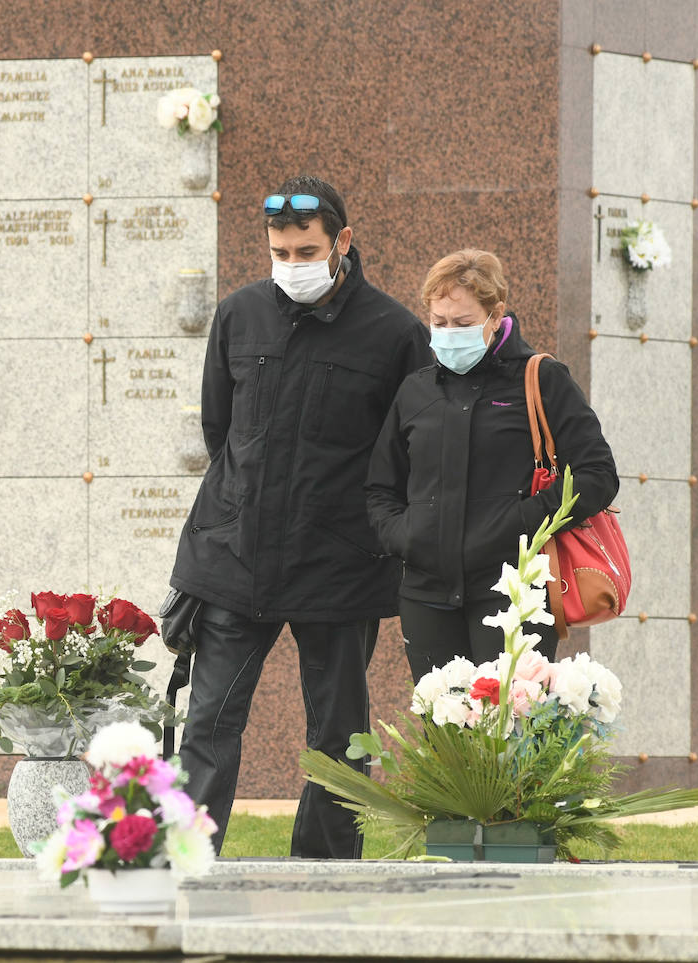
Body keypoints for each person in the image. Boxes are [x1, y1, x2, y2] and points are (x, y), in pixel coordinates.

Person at [169, 175, 430, 858]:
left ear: (342, 241)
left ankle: (327, 876)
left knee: (338, 735)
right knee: (209, 723)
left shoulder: (396, 333)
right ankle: (187, 863)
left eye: (305, 250)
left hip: (340, 565)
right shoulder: (239, 314)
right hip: (235, 557)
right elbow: (220, 431)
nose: (292, 266)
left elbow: (406, 454)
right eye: (279, 251)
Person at [365, 249, 619, 682]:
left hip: (515, 591)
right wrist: (407, 536)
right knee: (441, 738)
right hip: (426, 595)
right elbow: (380, 489)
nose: (448, 334)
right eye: (438, 323)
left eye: (462, 324)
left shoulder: (542, 379)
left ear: (495, 313)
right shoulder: (415, 390)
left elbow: (597, 474)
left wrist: (521, 522)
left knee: (513, 738)